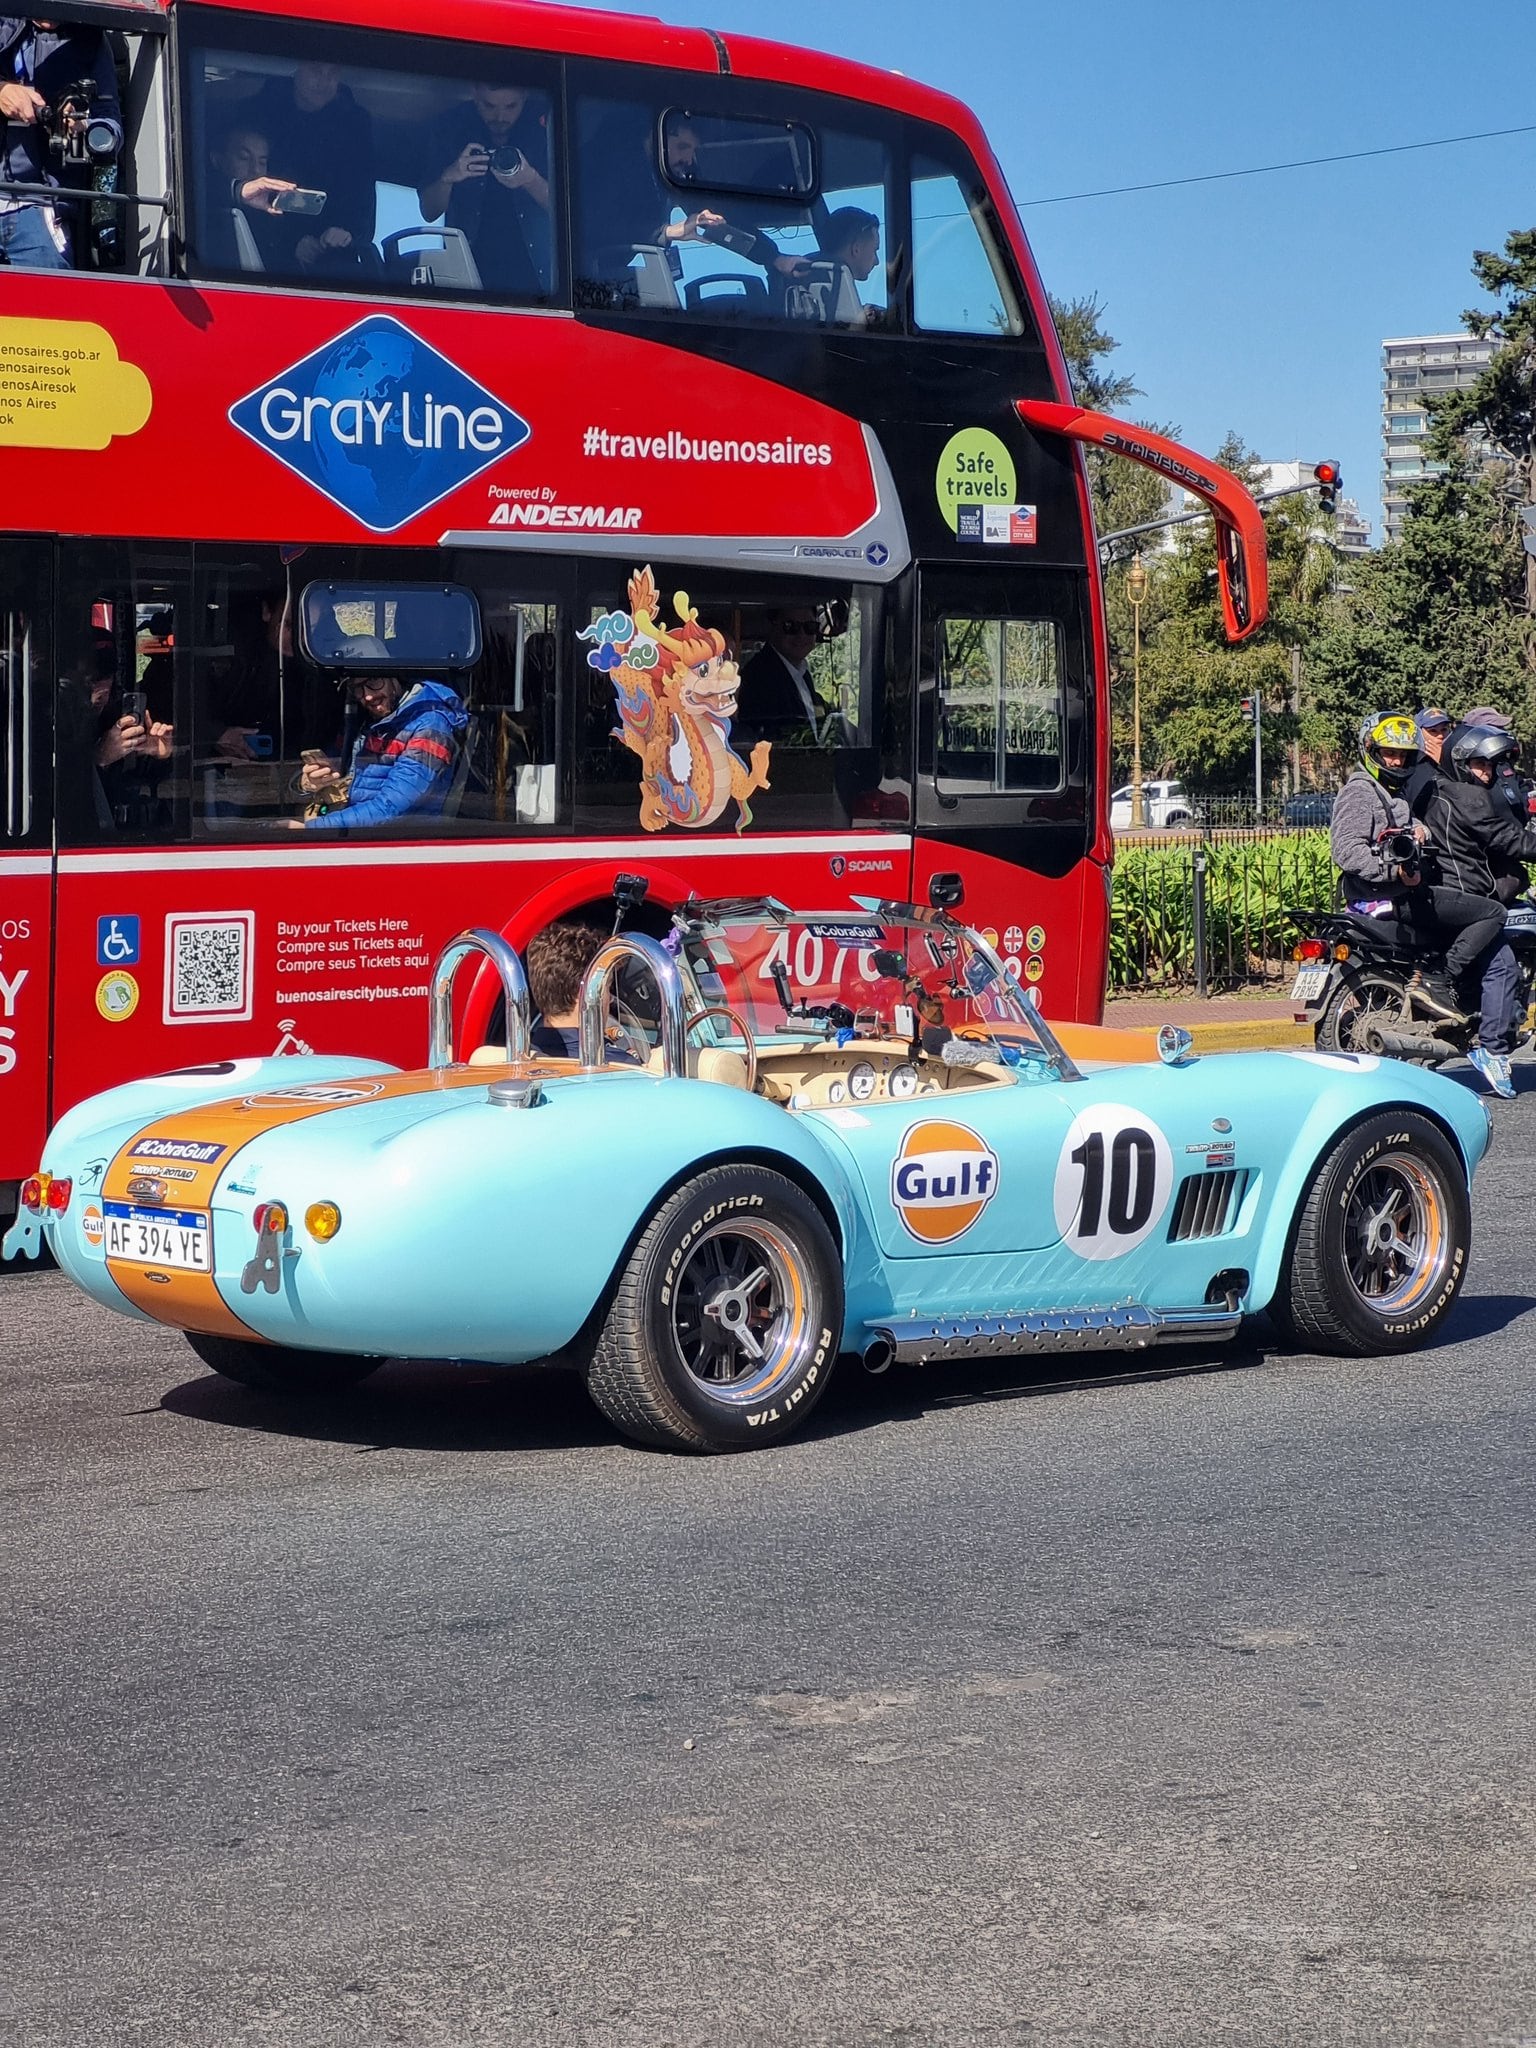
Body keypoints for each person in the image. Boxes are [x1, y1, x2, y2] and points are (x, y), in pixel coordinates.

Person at [1330, 712, 1499, 1024]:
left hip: (1395, 894)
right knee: (1492, 913)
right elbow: (1347, 850)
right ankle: (1441, 979)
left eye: (1402, 755)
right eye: (1389, 753)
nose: (1396, 762)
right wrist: (1395, 872)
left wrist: (1421, 830)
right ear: (1371, 750)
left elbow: (1400, 826)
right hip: (1390, 897)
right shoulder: (1361, 791)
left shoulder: (1387, 792)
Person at [1419, 726, 1536, 1096]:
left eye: (1490, 763)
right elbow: (1507, 837)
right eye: (1478, 762)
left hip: (1451, 888)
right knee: (1502, 967)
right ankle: (1493, 1050)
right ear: (1460, 761)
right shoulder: (1468, 796)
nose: (1486, 770)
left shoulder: (1440, 789)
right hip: (1466, 893)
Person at [293, 639, 467, 833]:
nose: (367, 696)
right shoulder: (366, 722)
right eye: (356, 688)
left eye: (374, 681)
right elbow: (335, 764)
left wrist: (312, 828)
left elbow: (391, 808)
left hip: (405, 841)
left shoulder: (430, 727)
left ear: (394, 674)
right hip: (361, 831)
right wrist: (309, 783)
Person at [0, 15, 120, 268]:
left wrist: (83, 126)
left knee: (52, 299)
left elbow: (111, 123)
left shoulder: (91, 40)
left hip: (42, 202)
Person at [417, 80, 552, 295]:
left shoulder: (548, 126)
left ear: (525, 96)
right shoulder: (451, 126)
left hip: (540, 285)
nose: (500, 117)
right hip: (467, 281)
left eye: (510, 107)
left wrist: (530, 179)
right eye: (489, 106)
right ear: (474, 95)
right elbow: (429, 211)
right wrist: (449, 177)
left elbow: (570, 214)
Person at [245, 61, 377, 278]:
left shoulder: (355, 128)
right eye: (316, 70)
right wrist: (289, 242)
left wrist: (346, 232)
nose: (324, 81)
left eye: (333, 72)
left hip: (334, 263)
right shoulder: (259, 114)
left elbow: (362, 195)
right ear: (295, 69)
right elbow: (245, 186)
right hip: (255, 263)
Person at [739, 605, 843, 744]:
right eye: (790, 626)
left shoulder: (801, 672)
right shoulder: (758, 677)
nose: (801, 635)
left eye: (810, 627)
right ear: (772, 627)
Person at [202, 123, 295, 269]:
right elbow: (201, 190)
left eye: (262, 162)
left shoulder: (273, 213)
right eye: (244, 158)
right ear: (217, 160)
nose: (256, 169)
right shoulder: (199, 199)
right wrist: (240, 190)